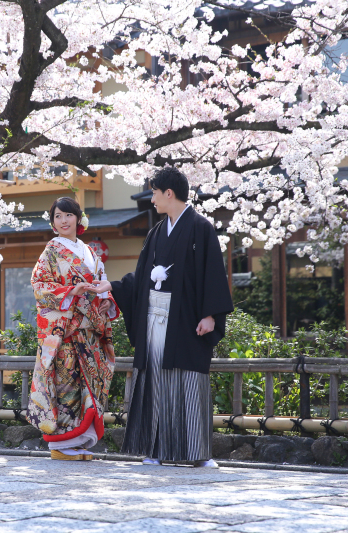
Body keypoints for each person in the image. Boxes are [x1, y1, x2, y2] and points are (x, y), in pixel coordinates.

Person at [92, 167, 233, 467]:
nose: (152, 199)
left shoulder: (201, 227)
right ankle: (154, 450)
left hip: (187, 320)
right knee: (154, 380)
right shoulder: (156, 232)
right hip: (155, 319)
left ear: (169, 193)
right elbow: (143, 275)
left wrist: (210, 314)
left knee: (189, 382)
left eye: (155, 193)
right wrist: (113, 286)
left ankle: (198, 454)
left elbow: (213, 274)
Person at [27, 197, 119, 461]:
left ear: (79, 218)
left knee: (87, 386)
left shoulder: (89, 251)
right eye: (57, 216)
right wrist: (71, 291)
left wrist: (106, 302)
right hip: (66, 331)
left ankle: (79, 442)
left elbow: (101, 283)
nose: (63, 221)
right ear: (52, 222)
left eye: (68, 215)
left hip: (90, 331)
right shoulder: (51, 251)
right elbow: (40, 286)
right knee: (66, 384)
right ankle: (62, 444)